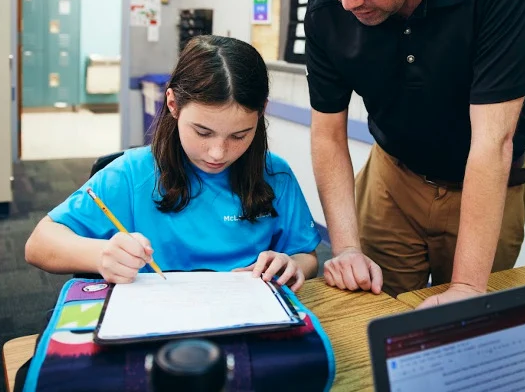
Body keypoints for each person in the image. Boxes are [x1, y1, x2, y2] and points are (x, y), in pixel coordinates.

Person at [299, 0, 525, 306]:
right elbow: (327, 136)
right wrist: (347, 246)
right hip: (392, 178)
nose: (348, 1)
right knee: (371, 313)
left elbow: (493, 142)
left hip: (486, 181)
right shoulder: (327, 7)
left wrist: (468, 286)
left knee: (467, 325)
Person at [25, 35, 320, 292]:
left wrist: (290, 264)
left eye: (240, 135)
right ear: (172, 104)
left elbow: (307, 256)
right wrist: (102, 254)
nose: (218, 153)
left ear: (261, 112)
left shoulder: (276, 174)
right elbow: (39, 245)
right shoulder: (132, 173)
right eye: (202, 132)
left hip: (250, 324)